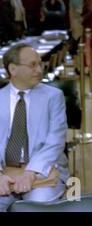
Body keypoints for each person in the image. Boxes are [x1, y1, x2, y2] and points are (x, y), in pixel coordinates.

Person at [0, 44, 69, 211]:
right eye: (32, 65)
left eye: (40, 64)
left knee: (35, 207)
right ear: (13, 69)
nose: (39, 70)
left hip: (43, 171)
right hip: (5, 171)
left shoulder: (53, 97)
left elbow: (56, 141)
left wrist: (31, 172)